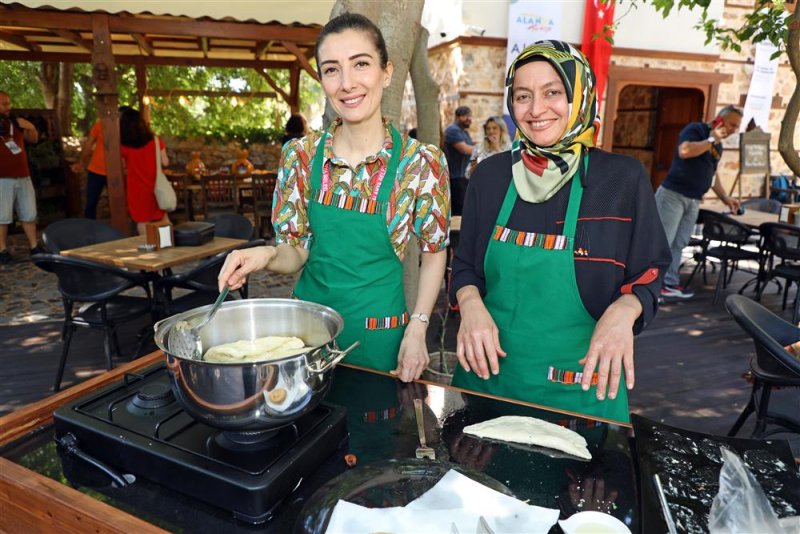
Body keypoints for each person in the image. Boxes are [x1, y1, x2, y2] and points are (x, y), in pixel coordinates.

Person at [218, 13, 451, 382]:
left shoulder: (421, 163)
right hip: (305, 338)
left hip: (380, 338)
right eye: (331, 69)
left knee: (375, 437)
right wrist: (265, 254)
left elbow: (434, 253)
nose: (347, 83)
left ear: (386, 73)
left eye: (361, 64)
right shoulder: (300, 156)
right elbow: (295, 253)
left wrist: (418, 328)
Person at [449, 41, 671, 423]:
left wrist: (624, 309)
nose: (536, 110)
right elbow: (466, 264)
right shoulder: (490, 176)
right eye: (522, 96)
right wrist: (469, 304)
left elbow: (649, 271)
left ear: (580, 95)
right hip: (486, 383)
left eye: (553, 92)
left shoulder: (621, 180)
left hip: (580, 392)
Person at [656, 105, 743, 299]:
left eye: (736, 127)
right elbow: (685, 151)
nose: (733, 130)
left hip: (694, 199)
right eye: (731, 124)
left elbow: (712, 175)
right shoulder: (697, 130)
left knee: (679, 243)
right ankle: (651, 286)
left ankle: (669, 284)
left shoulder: (717, 145)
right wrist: (712, 138)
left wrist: (725, 198)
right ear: (718, 120)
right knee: (662, 242)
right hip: (674, 195)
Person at [0, 91, 43, 264]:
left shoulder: (15, 123)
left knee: (29, 213)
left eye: (9, 103)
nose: (8, 107)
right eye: (3, 104)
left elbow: (33, 140)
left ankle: (34, 246)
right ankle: (2, 249)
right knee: (2, 216)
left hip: (23, 176)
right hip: (2, 177)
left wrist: (30, 127)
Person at [119, 107, 170, 236]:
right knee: (163, 218)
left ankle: (149, 247)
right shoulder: (156, 141)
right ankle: (167, 246)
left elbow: (122, 166)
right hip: (155, 186)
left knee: (142, 221)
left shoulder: (124, 146)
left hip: (136, 188)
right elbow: (165, 162)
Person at [70, 119, 108, 219]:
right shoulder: (99, 125)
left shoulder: (124, 127)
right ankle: (90, 228)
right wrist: (81, 162)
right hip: (96, 170)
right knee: (91, 203)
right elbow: (88, 144)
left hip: (115, 171)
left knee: (117, 202)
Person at [443, 106, 474, 215]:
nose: (469, 119)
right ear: (458, 117)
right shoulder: (452, 130)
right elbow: (464, 149)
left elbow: (471, 147)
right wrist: (484, 149)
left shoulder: (464, 132)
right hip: (455, 178)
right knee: (459, 211)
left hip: (463, 177)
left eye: (470, 116)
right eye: (466, 116)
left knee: (464, 209)